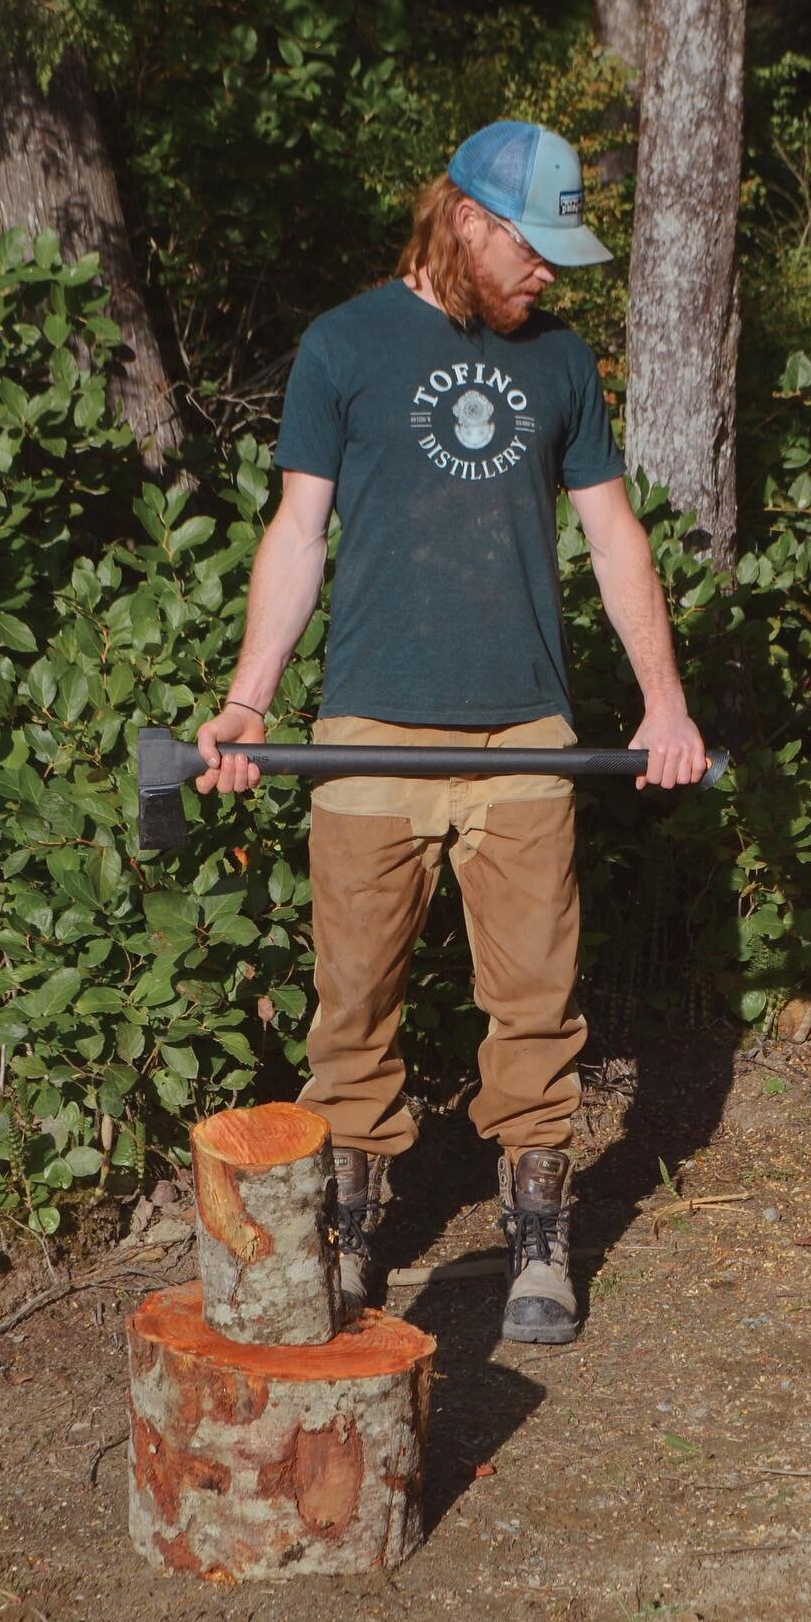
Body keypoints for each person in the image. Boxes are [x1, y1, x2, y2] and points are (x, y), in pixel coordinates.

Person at [194, 122, 708, 1345]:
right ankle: (356, 1227)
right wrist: (250, 699)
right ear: (466, 219)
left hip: (527, 732)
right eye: (534, 248)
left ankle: (536, 1231)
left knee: (535, 1004)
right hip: (365, 729)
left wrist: (666, 700)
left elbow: (614, 536)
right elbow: (297, 533)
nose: (550, 276)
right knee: (352, 1007)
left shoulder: (562, 362)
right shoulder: (345, 346)